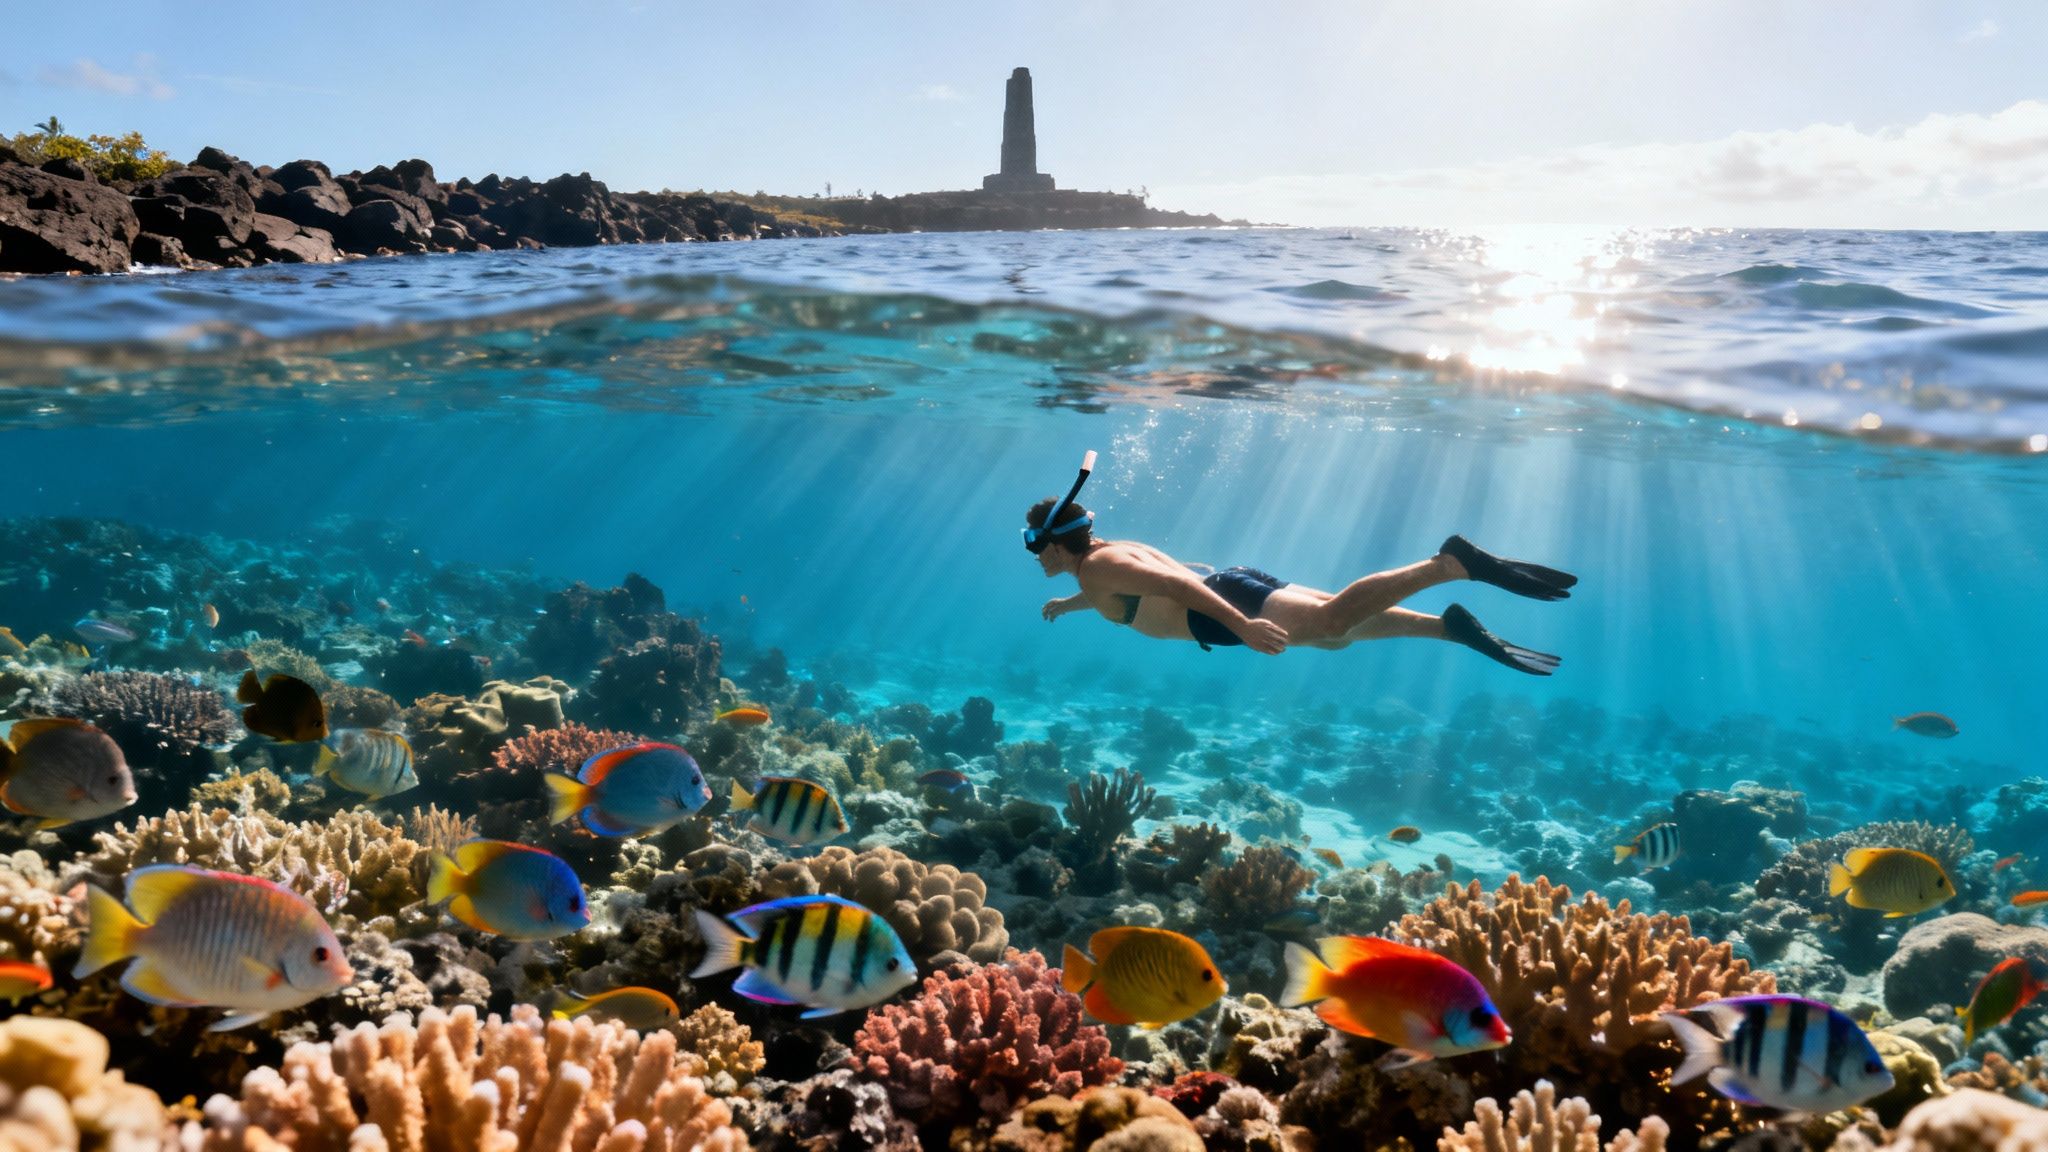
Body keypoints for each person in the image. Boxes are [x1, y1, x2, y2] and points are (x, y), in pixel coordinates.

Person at [1024, 452, 1573, 674]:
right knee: (1334, 634)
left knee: (1333, 621)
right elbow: (1142, 584)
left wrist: (1241, 624)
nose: (1032, 554)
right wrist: (1070, 605)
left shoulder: (1098, 570)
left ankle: (1448, 565)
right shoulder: (1102, 561)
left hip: (1220, 609)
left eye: (1032, 543)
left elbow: (1171, 582)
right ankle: (1448, 628)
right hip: (1229, 587)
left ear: (1054, 542)